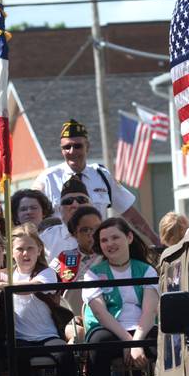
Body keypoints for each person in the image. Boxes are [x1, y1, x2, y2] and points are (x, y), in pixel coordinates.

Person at [33, 118, 161, 245]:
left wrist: (155, 239)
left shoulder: (102, 176)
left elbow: (130, 213)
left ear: (87, 147)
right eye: (67, 147)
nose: (72, 151)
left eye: (78, 146)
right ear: (62, 150)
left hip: (96, 252)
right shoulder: (48, 178)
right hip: (60, 254)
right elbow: (30, 213)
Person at [82, 218, 159, 376]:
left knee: (164, 341)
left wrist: (136, 342)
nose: (109, 244)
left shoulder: (147, 270)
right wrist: (128, 342)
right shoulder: (92, 274)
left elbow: (149, 312)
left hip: (142, 329)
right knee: (97, 344)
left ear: (129, 237)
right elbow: (101, 315)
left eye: (115, 237)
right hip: (111, 330)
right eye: (104, 240)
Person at [9, 223, 77, 376]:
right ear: (11, 251)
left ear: (39, 249)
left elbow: (27, 289)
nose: (25, 253)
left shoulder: (47, 273)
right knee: (17, 359)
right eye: (20, 249)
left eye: (30, 248)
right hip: (21, 338)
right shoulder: (6, 276)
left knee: (64, 354)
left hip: (46, 336)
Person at [39, 177, 94, 262]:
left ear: (92, 206)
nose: (75, 205)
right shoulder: (46, 239)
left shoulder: (105, 234)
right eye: (68, 201)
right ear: (60, 209)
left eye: (81, 200)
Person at [50, 205, 102, 284]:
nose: (92, 233)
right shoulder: (64, 257)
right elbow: (47, 280)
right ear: (75, 234)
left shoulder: (109, 256)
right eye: (85, 230)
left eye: (97, 228)